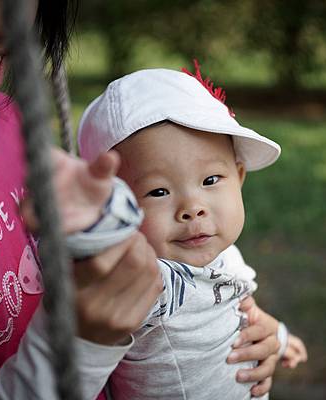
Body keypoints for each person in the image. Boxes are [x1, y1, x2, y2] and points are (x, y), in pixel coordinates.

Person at [0, 2, 295, 400]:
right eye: (158, 191)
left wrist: (260, 332)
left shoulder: (6, 118)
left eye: (211, 179)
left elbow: (211, 299)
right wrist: (85, 340)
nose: (0, 19)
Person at [76, 63, 308, 399]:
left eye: (210, 180)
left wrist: (280, 338)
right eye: (158, 191)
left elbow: (245, 307)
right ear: (112, 210)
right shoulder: (145, 280)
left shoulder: (224, 253)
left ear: (239, 177)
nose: (192, 207)